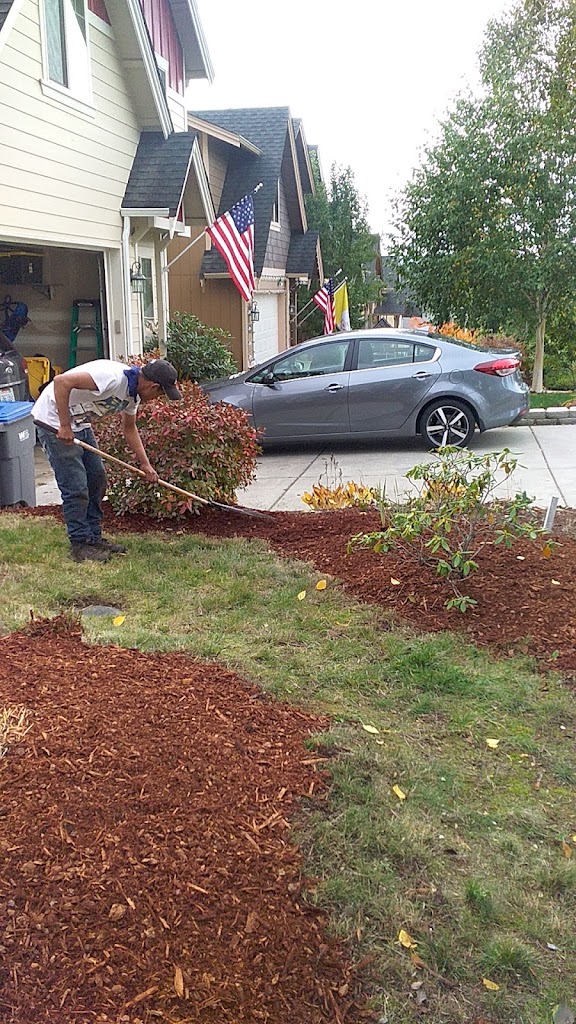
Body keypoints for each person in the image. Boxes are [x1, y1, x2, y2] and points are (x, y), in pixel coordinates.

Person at [32, 358, 182, 563]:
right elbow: (61, 382)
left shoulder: (132, 396)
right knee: (76, 487)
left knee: (97, 479)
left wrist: (145, 465)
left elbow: (129, 429)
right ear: (153, 386)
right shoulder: (112, 378)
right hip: (53, 422)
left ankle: (93, 537)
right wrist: (64, 425)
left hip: (80, 424)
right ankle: (80, 543)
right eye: (160, 394)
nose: (158, 398)